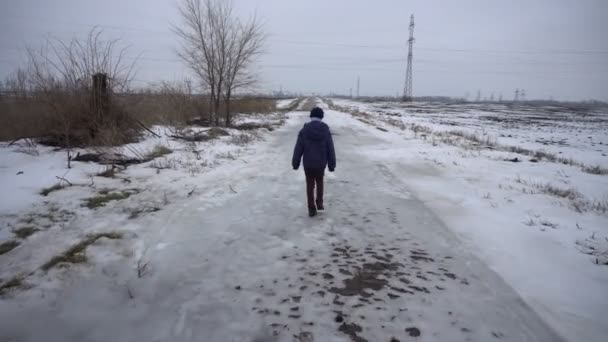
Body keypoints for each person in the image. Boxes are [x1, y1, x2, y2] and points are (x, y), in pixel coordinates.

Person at [292, 107, 336, 217]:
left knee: (310, 184)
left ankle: (311, 208)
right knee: (320, 182)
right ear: (321, 117)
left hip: (308, 164)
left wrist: (295, 163)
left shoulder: (304, 131)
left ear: (311, 116)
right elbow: (331, 148)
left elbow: (298, 148)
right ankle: (319, 203)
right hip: (321, 163)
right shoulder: (326, 131)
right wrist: (331, 165)